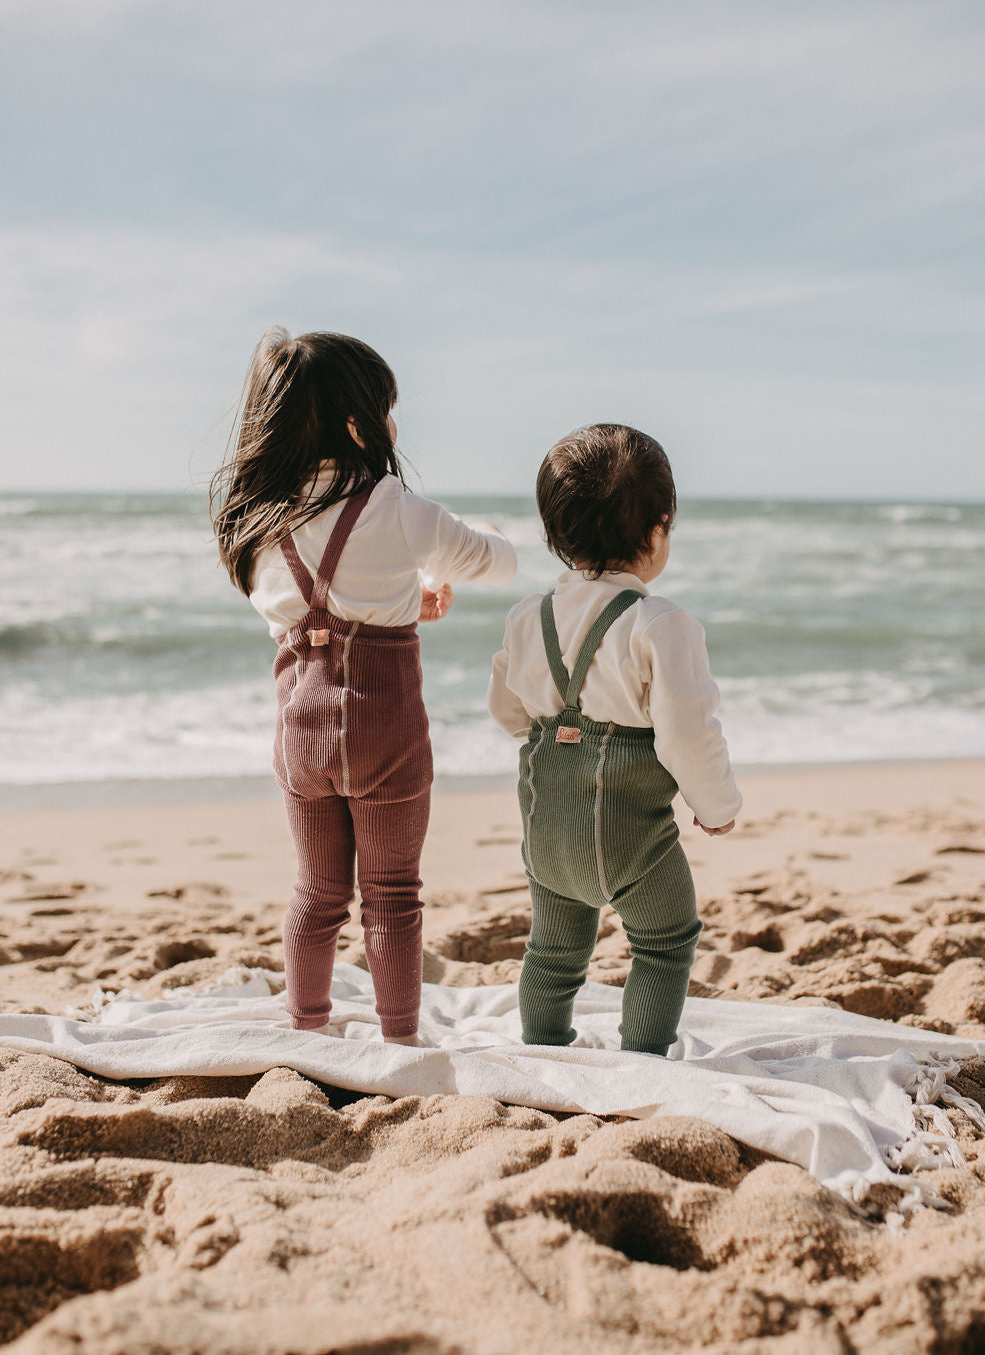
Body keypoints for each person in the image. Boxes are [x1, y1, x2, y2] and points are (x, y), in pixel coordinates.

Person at [211, 328, 516, 1043]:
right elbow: (495, 561)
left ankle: (308, 1030)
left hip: (301, 735)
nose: (394, 425)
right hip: (385, 732)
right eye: (387, 409)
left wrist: (404, 592)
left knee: (317, 893)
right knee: (391, 895)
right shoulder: (392, 503)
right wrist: (435, 576)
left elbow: (314, 603)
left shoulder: (257, 523)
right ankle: (400, 1037)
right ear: (356, 423)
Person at [487, 424, 740, 1057]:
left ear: (555, 534)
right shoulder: (661, 623)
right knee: (665, 941)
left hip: (551, 829)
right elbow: (688, 732)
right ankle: (642, 1056)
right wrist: (716, 807)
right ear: (658, 531)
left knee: (552, 949)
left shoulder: (527, 616)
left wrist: (549, 734)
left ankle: (543, 1045)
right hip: (635, 842)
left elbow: (508, 712)